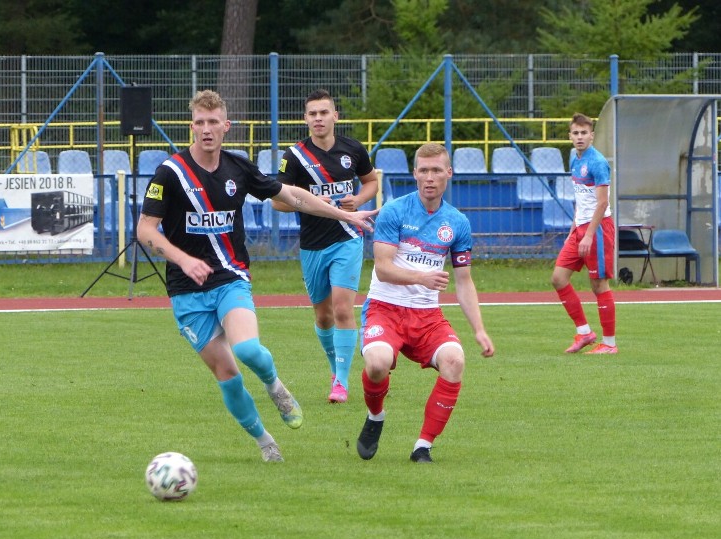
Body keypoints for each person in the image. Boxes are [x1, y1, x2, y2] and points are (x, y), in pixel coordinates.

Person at [137, 90, 377, 462]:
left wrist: (348, 215)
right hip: (186, 292)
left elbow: (294, 197)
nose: (206, 129)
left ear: (226, 127)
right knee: (227, 372)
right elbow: (146, 230)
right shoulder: (171, 173)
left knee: (248, 349)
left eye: (213, 122)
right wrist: (182, 259)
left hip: (231, 279)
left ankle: (275, 386)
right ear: (191, 127)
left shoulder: (239, 168)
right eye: (199, 122)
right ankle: (265, 441)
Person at [355, 142, 495, 464]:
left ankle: (423, 446)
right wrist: (422, 277)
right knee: (376, 363)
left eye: (436, 170)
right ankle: (375, 417)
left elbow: (463, 281)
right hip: (385, 308)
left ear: (449, 173)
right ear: (414, 173)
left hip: (427, 315)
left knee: (455, 360)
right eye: (423, 170)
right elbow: (383, 267)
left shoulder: (457, 223)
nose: (429, 177)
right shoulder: (395, 210)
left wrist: (479, 329)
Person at [274, 89, 379, 404]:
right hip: (312, 245)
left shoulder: (353, 149)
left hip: (347, 237)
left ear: (336, 116)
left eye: (324, 112)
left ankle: (342, 384)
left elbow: (371, 181)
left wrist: (358, 200)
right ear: (305, 119)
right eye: (312, 114)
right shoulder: (294, 156)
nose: (318, 118)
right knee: (323, 315)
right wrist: (310, 203)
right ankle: (336, 369)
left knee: (344, 309)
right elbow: (278, 203)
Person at [551, 113, 617, 355]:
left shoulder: (597, 162)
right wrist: (574, 229)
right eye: (575, 133)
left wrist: (589, 234)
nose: (579, 137)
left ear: (592, 135)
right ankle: (584, 332)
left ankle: (609, 344)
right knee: (558, 278)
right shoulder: (575, 160)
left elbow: (601, 203)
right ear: (570, 136)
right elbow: (581, 198)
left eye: (584, 133)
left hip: (597, 229)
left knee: (599, 284)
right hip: (581, 227)